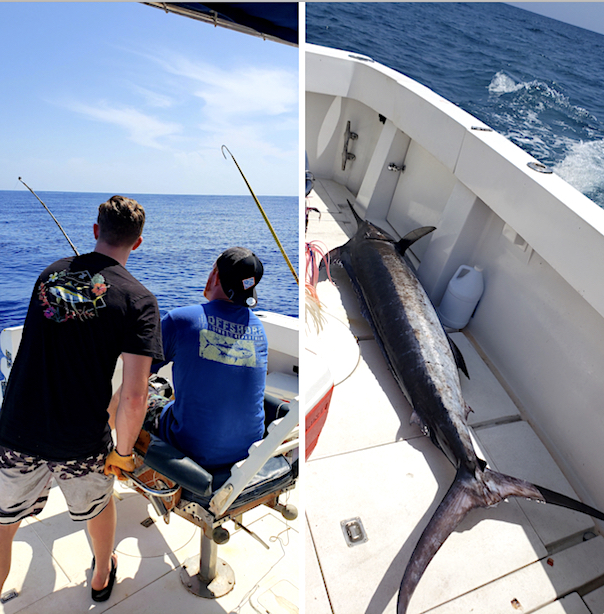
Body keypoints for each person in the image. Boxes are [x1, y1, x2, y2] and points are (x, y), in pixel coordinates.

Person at [0, 196, 163, 603]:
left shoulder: (47, 275)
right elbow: (134, 394)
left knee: (3, 526)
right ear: (138, 243)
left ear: (95, 231)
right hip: (81, 441)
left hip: (16, 429)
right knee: (98, 506)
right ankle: (101, 576)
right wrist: (123, 453)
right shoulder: (140, 301)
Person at [147, 247, 268, 471]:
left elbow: (139, 374)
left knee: (138, 395)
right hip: (248, 452)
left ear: (214, 275)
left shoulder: (181, 319)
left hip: (193, 450)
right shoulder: (258, 328)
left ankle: (116, 456)